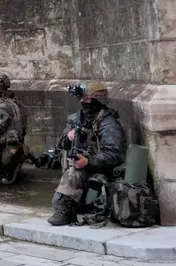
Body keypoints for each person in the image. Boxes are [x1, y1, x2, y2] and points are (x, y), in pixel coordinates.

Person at [48, 81, 127, 226]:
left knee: (77, 170)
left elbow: (115, 155)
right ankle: (68, 203)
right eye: (81, 99)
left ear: (97, 101)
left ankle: (67, 211)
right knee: (58, 197)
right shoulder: (78, 119)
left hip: (103, 171)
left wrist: (89, 161)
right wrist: (69, 137)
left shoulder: (108, 124)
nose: (83, 103)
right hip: (79, 169)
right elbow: (60, 145)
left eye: (86, 99)